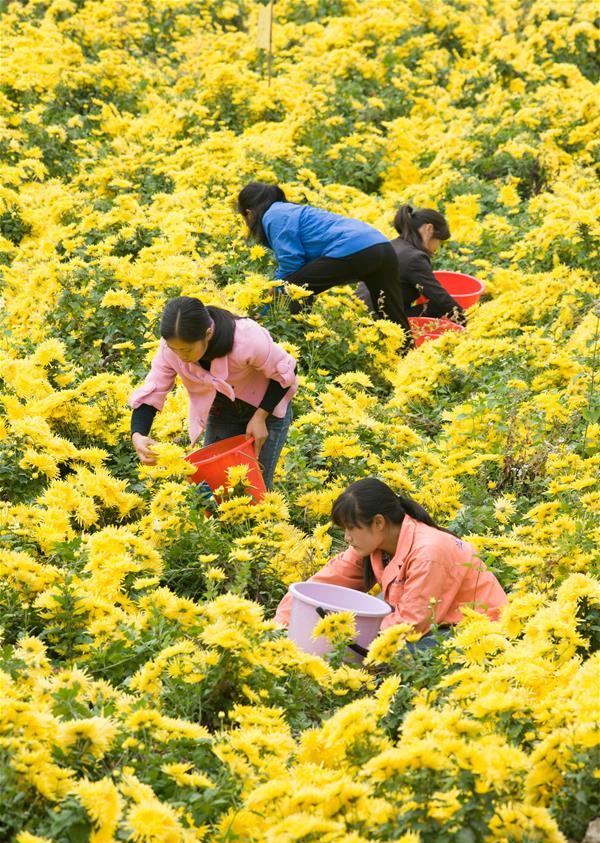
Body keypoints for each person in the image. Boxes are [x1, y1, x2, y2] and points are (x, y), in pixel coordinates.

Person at [275, 478, 507, 648]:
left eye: (351, 528)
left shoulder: (428, 553)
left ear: (378, 522)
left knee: (397, 658)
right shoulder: (373, 544)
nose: (347, 537)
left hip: (476, 629)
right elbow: (327, 582)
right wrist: (283, 624)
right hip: (428, 617)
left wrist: (345, 638)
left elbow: (410, 624)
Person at [129, 296, 298, 488]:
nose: (180, 357)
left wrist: (260, 416)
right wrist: (138, 434)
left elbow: (287, 372)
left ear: (208, 333)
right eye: (173, 349)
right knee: (213, 488)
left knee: (254, 487)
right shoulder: (172, 348)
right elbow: (154, 389)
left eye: (186, 350)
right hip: (221, 411)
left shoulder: (246, 338)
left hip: (267, 408)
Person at [237, 182, 414, 347]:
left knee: (295, 288)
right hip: (381, 246)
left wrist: (267, 308)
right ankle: (407, 357)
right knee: (392, 314)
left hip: (355, 248)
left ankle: (296, 343)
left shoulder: (274, 215)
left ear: (249, 212)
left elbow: (291, 263)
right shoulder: (289, 210)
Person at [357, 205, 466, 324]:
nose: (437, 248)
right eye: (439, 241)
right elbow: (440, 298)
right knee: (437, 306)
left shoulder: (393, 244)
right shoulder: (415, 258)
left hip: (359, 312)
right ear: (428, 229)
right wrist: (468, 322)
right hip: (379, 322)